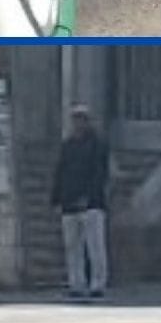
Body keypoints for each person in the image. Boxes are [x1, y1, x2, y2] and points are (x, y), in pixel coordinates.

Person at [51, 104, 110, 300]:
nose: (77, 124)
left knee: (95, 246)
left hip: (91, 204)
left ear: (87, 122)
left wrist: (89, 196)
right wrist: (56, 199)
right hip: (69, 203)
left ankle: (97, 284)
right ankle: (76, 283)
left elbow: (99, 175)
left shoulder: (97, 145)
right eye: (74, 120)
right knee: (72, 247)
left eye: (81, 120)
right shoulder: (67, 146)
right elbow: (60, 173)